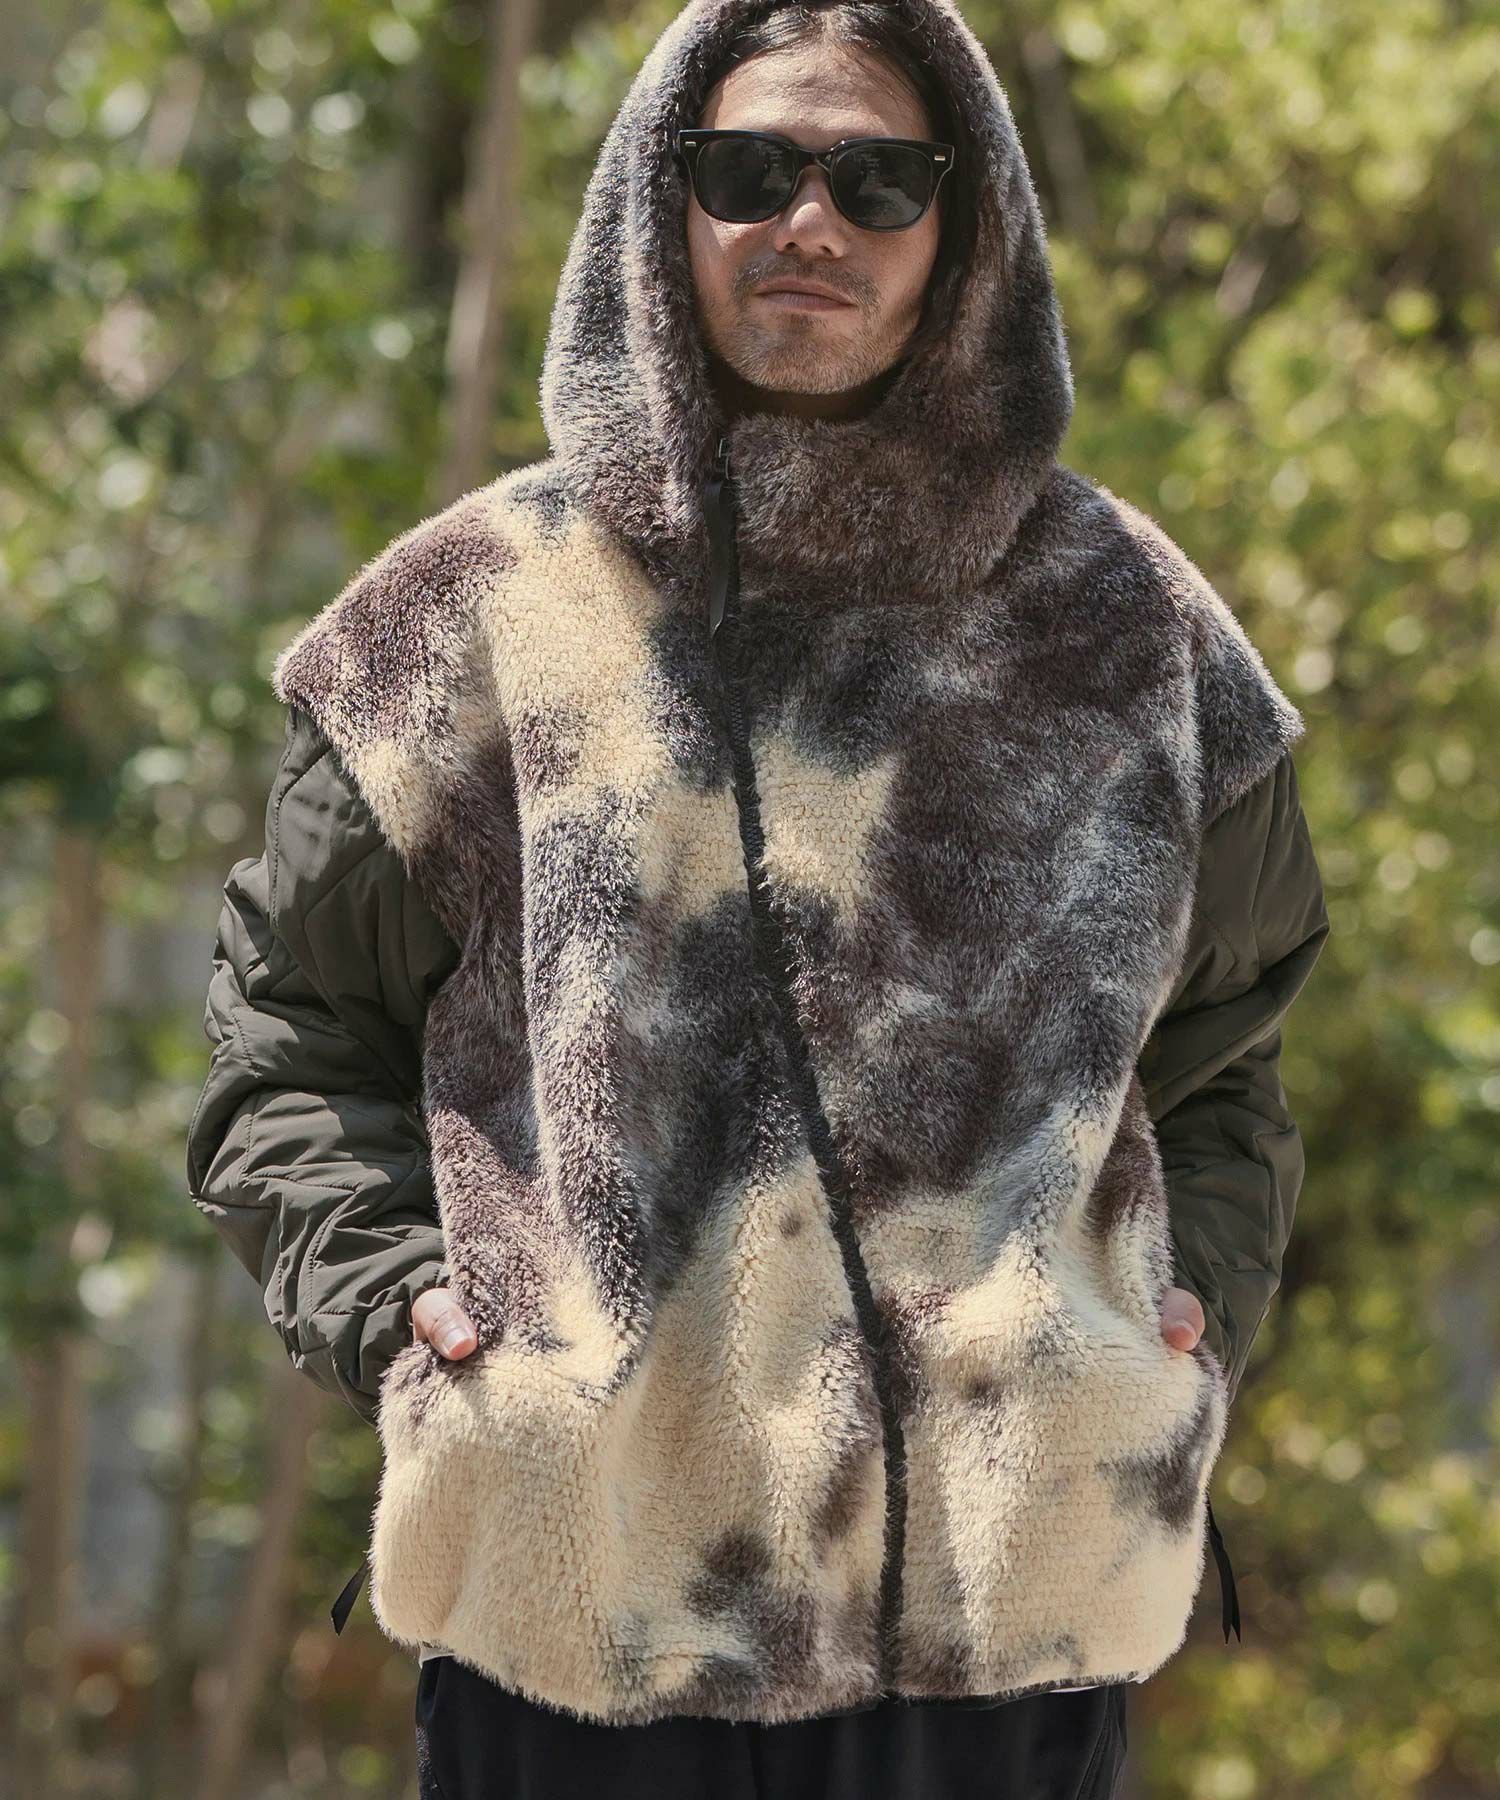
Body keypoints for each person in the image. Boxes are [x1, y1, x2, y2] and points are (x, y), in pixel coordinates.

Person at [186, 0, 1332, 1793]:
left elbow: (1227, 1061)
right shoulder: (466, 617)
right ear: (666, 200)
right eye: (751, 170)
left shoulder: (1134, 633)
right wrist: (412, 1316)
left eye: (880, 181)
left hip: (1006, 1626)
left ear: (962, 223)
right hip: (577, 1615)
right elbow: (289, 1038)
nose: (812, 222)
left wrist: (1173, 1337)